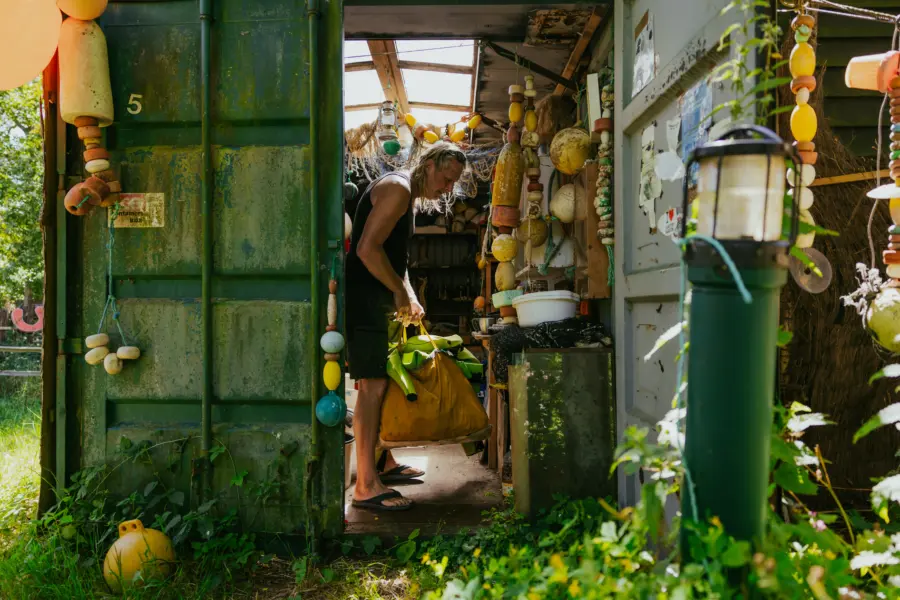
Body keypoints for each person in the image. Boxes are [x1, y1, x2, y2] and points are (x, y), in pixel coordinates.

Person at [346, 142, 467, 511]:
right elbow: (366, 249)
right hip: (366, 297)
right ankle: (365, 485)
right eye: (446, 178)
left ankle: (383, 462)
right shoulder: (398, 189)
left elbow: (392, 255)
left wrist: (408, 293)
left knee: (382, 379)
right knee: (372, 385)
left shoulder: (406, 194)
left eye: (453, 184)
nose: (447, 188)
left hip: (379, 295)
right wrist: (398, 290)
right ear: (429, 164)